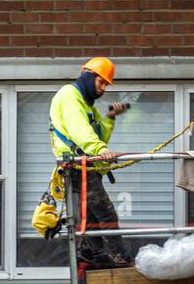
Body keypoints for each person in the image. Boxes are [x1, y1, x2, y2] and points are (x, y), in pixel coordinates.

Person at [49, 57, 132, 268]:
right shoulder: (70, 96)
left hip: (84, 167)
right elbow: (80, 131)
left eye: (106, 84)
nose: (103, 88)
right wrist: (101, 151)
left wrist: (110, 118)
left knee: (93, 214)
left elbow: (98, 136)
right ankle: (118, 256)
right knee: (106, 212)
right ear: (88, 75)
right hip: (77, 168)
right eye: (100, 82)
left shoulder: (87, 104)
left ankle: (90, 253)